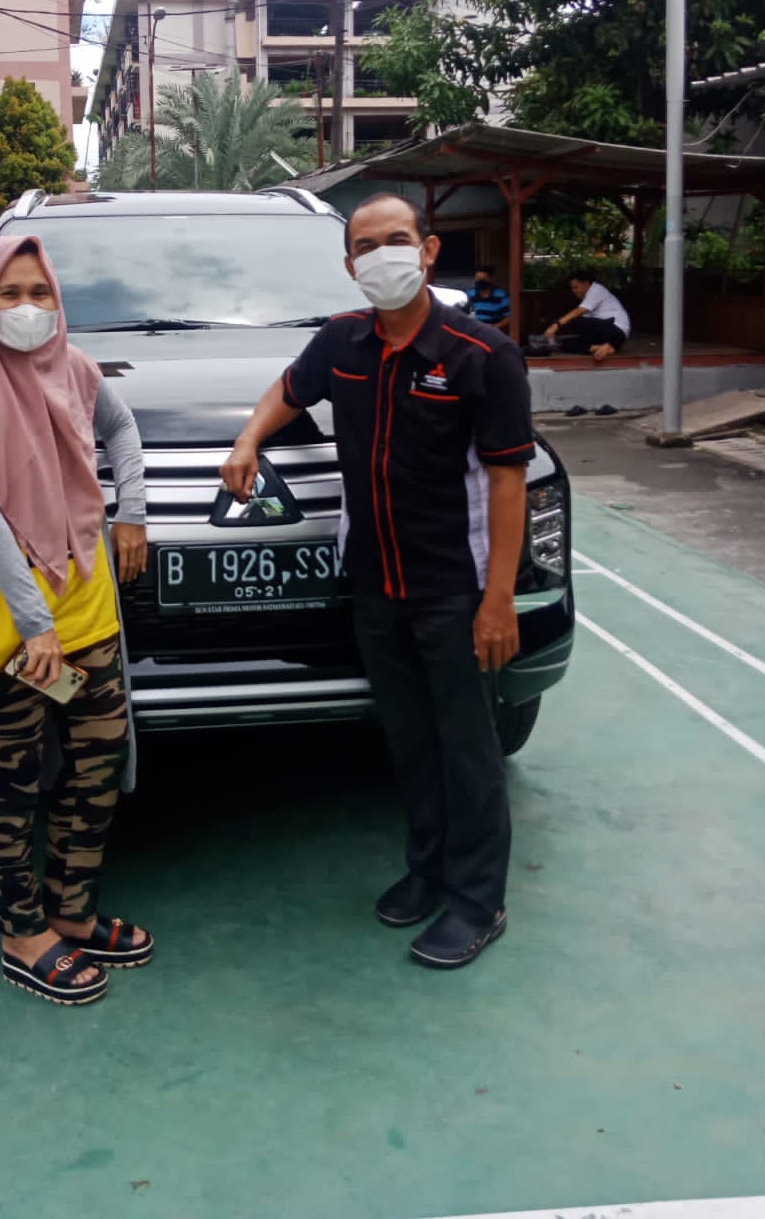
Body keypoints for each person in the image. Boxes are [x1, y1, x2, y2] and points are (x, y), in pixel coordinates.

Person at [221, 193, 534, 970]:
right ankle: (426, 870)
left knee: (468, 749)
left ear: (428, 251)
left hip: (453, 590)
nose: (382, 253)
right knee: (410, 741)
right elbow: (288, 388)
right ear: (350, 264)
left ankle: (478, 900)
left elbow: (508, 483)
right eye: (366, 244)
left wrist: (498, 600)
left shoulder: (482, 355)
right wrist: (249, 438)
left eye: (397, 238)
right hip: (374, 587)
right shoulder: (343, 342)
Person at [0, 235, 153, 1006]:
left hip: (85, 607)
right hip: (10, 628)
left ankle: (70, 908)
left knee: (97, 759)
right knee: (10, 783)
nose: (27, 308)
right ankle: (21, 932)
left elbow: (122, 429)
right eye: (9, 294)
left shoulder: (73, 368)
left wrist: (132, 512)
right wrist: (35, 621)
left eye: (39, 292)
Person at [545, 271, 630, 361]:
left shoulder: (596, 289)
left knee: (572, 320)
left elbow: (578, 312)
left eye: (576, 287)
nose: (574, 291)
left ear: (586, 284)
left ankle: (605, 346)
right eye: (572, 288)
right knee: (563, 344)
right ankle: (603, 348)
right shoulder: (587, 299)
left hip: (615, 330)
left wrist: (556, 325)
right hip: (614, 340)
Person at [467, 265, 511, 331]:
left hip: (493, 332)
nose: (480, 281)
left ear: (491, 279)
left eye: (484, 278)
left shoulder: (501, 295)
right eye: (478, 278)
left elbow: (510, 317)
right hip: (474, 331)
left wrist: (495, 326)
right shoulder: (469, 294)